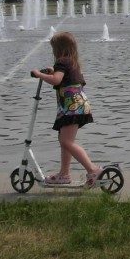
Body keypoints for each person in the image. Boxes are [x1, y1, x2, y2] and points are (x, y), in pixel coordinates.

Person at [30, 31, 101, 186]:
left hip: (72, 107)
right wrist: (52, 70)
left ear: (58, 49)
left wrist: (38, 74)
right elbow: (61, 77)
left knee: (67, 142)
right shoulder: (71, 62)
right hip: (76, 106)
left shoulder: (62, 61)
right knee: (65, 141)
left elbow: (56, 80)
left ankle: (93, 170)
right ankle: (64, 174)